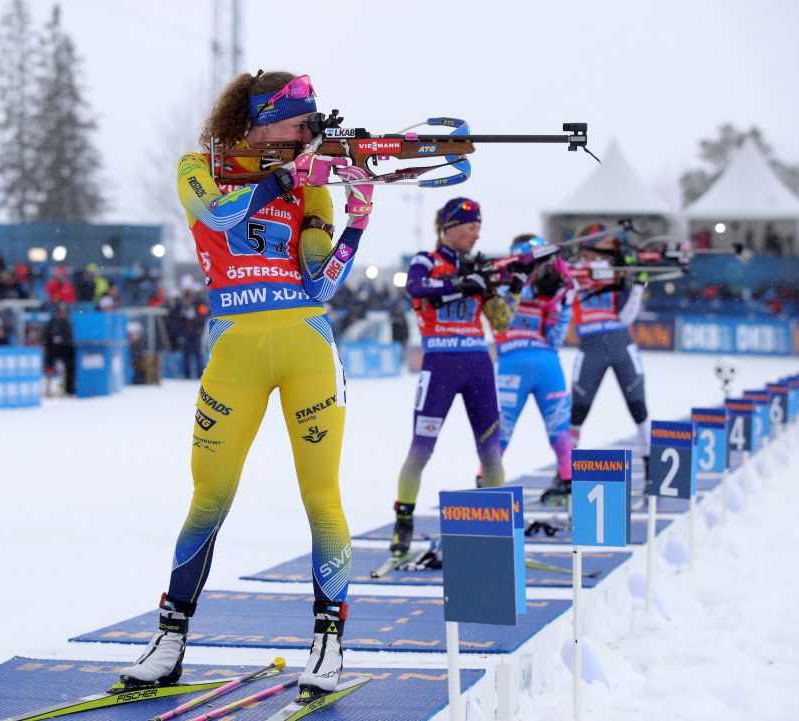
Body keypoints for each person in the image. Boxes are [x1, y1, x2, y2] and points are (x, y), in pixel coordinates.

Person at [119, 70, 374, 696]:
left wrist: (357, 214)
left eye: (312, 126)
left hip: (306, 343)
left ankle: (328, 641)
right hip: (233, 347)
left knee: (322, 496)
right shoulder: (198, 165)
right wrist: (285, 177)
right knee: (208, 497)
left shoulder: (311, 187)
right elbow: (218, 210)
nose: (306, 135)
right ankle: (170, 636)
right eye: (298, 123)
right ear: (259, 118)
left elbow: (320, 284)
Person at [388, 197, 516, 559]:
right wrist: (463, 284)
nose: (476, 234)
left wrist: (515, 285)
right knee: (420, 450)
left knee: (491, 451)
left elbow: (502, 321)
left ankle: (497, 528)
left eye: (479, 227)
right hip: (440, 365)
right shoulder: (426, 261)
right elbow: (417, 288)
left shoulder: (481, 266)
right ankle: (404, 523)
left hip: (477, 363)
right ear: (449, 227)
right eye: (471, 226)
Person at [493, 234, 575, 492]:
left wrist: (561, 301)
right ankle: (567, 481)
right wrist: (563, 302)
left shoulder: (505, 285)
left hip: (513, 362)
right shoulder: (536, 290)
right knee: (560, 432)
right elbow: (555, 338)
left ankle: (485, 487)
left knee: (500, 435)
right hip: (546, 363)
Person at [568, 223, 651, 477]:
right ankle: (565, 471)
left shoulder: (618, 271)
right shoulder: (572, 271)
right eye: (601, 246)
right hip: (590, 344)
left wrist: (636, 286)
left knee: (638, 404)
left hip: (620, 341)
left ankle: (651, 466)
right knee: (578, 410)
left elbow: (626, 317)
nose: (606, 252)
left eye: (608, 247)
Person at [43, 303, 76, 396]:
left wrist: (62, 341)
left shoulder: (66, 322)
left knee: (70, 362)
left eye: (63, 312)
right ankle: (48, 389)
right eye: (60, 312)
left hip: (64, 349)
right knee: (48, 362)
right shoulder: (51, 322)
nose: (62, 314)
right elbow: (46, 336)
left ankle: (68, 388)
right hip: (52, 350)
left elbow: (69, 338)